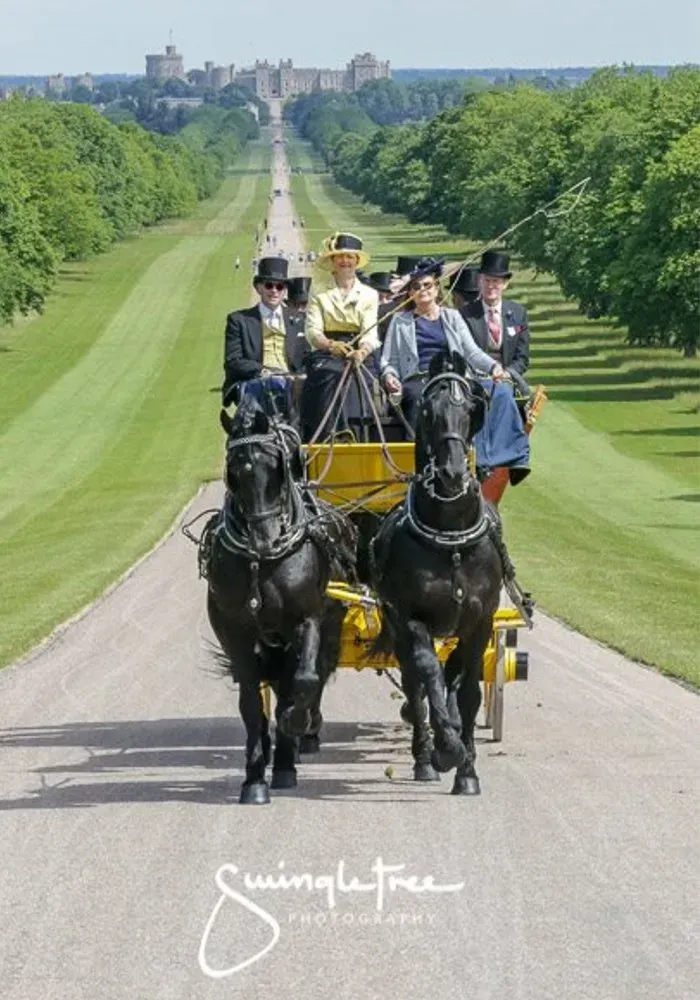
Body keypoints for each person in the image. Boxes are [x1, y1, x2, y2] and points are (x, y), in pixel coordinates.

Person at [381, 259, 505, 428]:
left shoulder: (452, 316)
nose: (422, 290)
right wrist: (390, 376)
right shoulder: (400, 321)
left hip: (452, 376)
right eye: (416, 286)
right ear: (410, 293)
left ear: (436, 288)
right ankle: (415, 440)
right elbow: (389, 360)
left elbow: (471, 352)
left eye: (427, 285)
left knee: (472, 399)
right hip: (418, 378)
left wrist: (493, 366)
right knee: (417, 397)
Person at [301, 232, 380, 442]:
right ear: (333, 261)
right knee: (330, 373)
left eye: (350, 257)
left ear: (357, 261)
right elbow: (312, 330)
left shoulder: (370, 294)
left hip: (359, 350)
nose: (345, 261)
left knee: (362, 379)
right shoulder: (318, 291)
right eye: (340, 257)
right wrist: (330, 345)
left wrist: (361, 351)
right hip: (327, 351)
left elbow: (370, 331)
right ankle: (331, 434)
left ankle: (359, 433)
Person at [222, 257, 308, 417]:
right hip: (256, 380)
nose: (274, 290)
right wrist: (262, 370)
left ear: (284, 290)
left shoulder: (298, 318)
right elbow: (233, 361)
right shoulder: (239, 320)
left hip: (292, 381)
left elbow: (306, 356)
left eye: (279, 286)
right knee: (274, 386)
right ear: (258, 287)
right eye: (269, 285)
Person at [461, 250, 530, 397]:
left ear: (505, 284)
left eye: (496, 281)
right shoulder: (465, 314)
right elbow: (466, 353)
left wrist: (507, 374)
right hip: (476, 380)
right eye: (487, 280)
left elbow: (522, 357)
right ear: (479, 281)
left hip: (508, 378)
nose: (490, 286)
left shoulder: (519, 313)